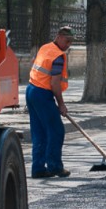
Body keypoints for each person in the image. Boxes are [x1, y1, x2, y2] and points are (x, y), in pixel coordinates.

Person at [26, 26, 73, 178]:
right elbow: (54, 84)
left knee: (39, 131)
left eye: (71, 42)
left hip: (31, 90)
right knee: (56, 130)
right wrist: (61, 104)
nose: (68, 45)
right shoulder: (58, 56)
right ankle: (54, 167)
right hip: (42, 94)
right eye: (67, 41)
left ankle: (38, 169)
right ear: (58, 37)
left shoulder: (45, 48)